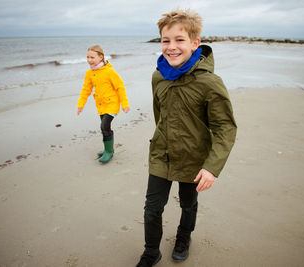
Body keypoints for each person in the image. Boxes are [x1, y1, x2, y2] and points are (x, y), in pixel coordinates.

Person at [136, 9, 237, 267]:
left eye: (179, 40)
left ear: (194, 43)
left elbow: (225, 127)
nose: (171, 47)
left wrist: (212, 168)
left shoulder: (210, 83)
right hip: (162, 153)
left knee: (188, 204)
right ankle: (151, 252)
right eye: (165, 40)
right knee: (152, 208)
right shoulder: (158, 76)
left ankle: (183, 237)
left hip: (195, 156)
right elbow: (160, 115)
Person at [77, 45, 130, 164]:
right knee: (105, 127)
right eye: (87, 57)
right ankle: (108, 149)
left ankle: (109, 152)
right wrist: (81, 105)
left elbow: (120, 87)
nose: (89, 60)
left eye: (92, 57)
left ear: (101, 57)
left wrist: (124, 104)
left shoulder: (109, 71)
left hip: (112, 104)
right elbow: (86, 89)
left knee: (104, 126)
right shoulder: (89, 73)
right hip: (100, 105)